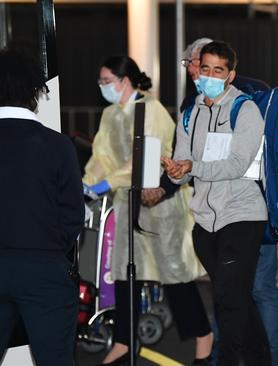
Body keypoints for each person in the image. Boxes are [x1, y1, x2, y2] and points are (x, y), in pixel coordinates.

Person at [83, 56, 212, 365]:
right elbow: (102, 154)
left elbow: (145, 158)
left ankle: (203, 339)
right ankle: (125, 341)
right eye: (100, 82)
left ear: (124, 81)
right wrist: (89, 181)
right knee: (128, 276)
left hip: (161, 206)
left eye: (106, 82)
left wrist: (107, 183)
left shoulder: (149, 110)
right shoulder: (111, 114)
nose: (103, 88)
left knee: (174, 276)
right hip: (129, 205)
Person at [162, 40, 271, 366]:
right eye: (204, 68)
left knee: (228, 298)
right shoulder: (189, 113)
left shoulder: (245, 110)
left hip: (242, 215)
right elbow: (184, 165)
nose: (208, 75)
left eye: (217, 70)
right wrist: (178, 171)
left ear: (230, 75)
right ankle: (261, 360)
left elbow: (237, 164)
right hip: (205, 222)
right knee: (235, 299)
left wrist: (193, 167)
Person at [0, 49, 85, 365]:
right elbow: (73, 212)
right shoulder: (57, 145)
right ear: (35, 92)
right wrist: (48, 249)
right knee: (55, 359)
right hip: (43, 267)